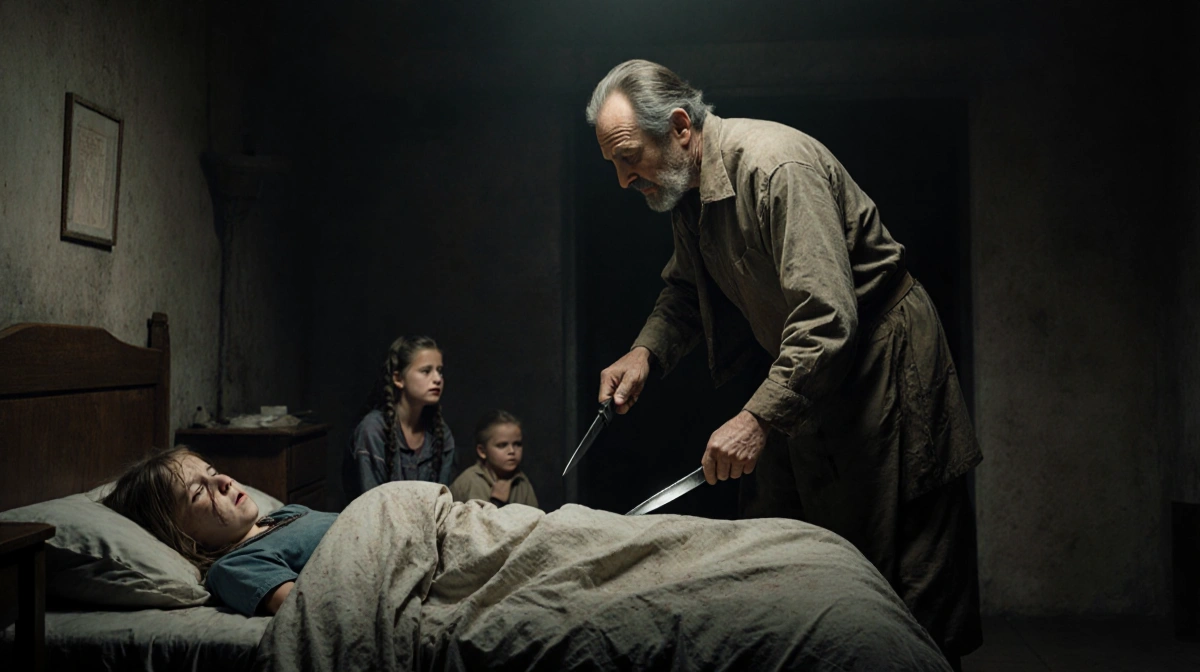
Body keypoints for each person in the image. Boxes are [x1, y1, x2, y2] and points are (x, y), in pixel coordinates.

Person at [585, 59, 983, 666]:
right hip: (809, 374)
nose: (623, 178)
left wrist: (757, 419)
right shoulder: (689, 191)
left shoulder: (775, 168)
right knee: (798, 551)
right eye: (613, 163)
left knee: (901, 572)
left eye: (628, 156)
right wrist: (645, 352)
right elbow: (686, 292)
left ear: (681, 126)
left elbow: (827, 317)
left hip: (881, 364)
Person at [103, 447, 337, 616]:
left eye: (213, 473)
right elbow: (306, 608)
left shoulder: (286, 515)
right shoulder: (235, 566)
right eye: (199, 493)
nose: (225, 480)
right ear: (183, 537)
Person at [343, 335, 456, 502]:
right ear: (398, 378)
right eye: (426, 371)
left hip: (425, 526)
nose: (437, 379)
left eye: (439, 371)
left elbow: (441, 505)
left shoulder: (441, 434)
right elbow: (371, 507)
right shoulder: (373, 431)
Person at [449, 410, 539, 508]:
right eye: (502, 445)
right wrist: (496, 502)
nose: (512, 451)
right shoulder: (469, 481)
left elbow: (535, 518)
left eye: (517, 444)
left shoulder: (522, 482)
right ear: (482, 451)